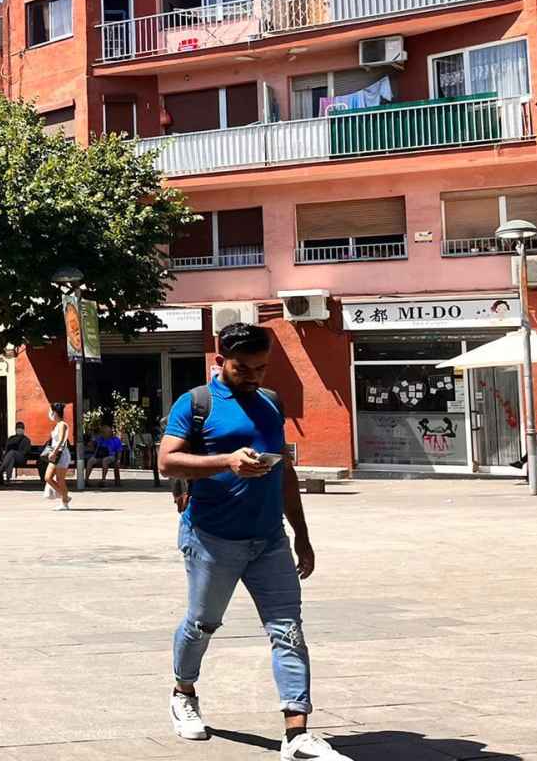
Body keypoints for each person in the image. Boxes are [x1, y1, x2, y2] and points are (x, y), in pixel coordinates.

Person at [157, 322, 343, 761]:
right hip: (211, 537)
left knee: (288, 631)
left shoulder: (270, 403)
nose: (254, 376)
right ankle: (183, 692)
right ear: (220, 361)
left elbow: (286, 474)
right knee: (202, 624)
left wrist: (302, 534)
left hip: (269, 540)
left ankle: (296, 734)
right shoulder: (196, 403)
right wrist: (226, 461)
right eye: (244, 368)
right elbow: (166, 461)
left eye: (262, 368)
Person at [42, 403, 73, 509]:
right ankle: (65, 496)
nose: (50, 414)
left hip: (61, 454)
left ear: (55, 412)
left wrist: (54, 452)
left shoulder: (62, 425)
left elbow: (61, 440)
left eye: (51, 412)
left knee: (60, 479)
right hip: (55, 454)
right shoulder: (58, 425)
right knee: (48, 477)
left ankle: (65, 502)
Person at [87, 421, 124, 487]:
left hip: (110, 456)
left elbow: (119, 451)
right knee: (91, 460)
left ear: (110, 433)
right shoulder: (100, 439)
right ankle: (86, 480)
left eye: (105, 432)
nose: (103, 434)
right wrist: (92, 441)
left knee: (105, 460)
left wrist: (118, 460)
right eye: (103, 432)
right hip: (99, 456)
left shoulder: (116, 440)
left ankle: (103, 480)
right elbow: (91, 445)